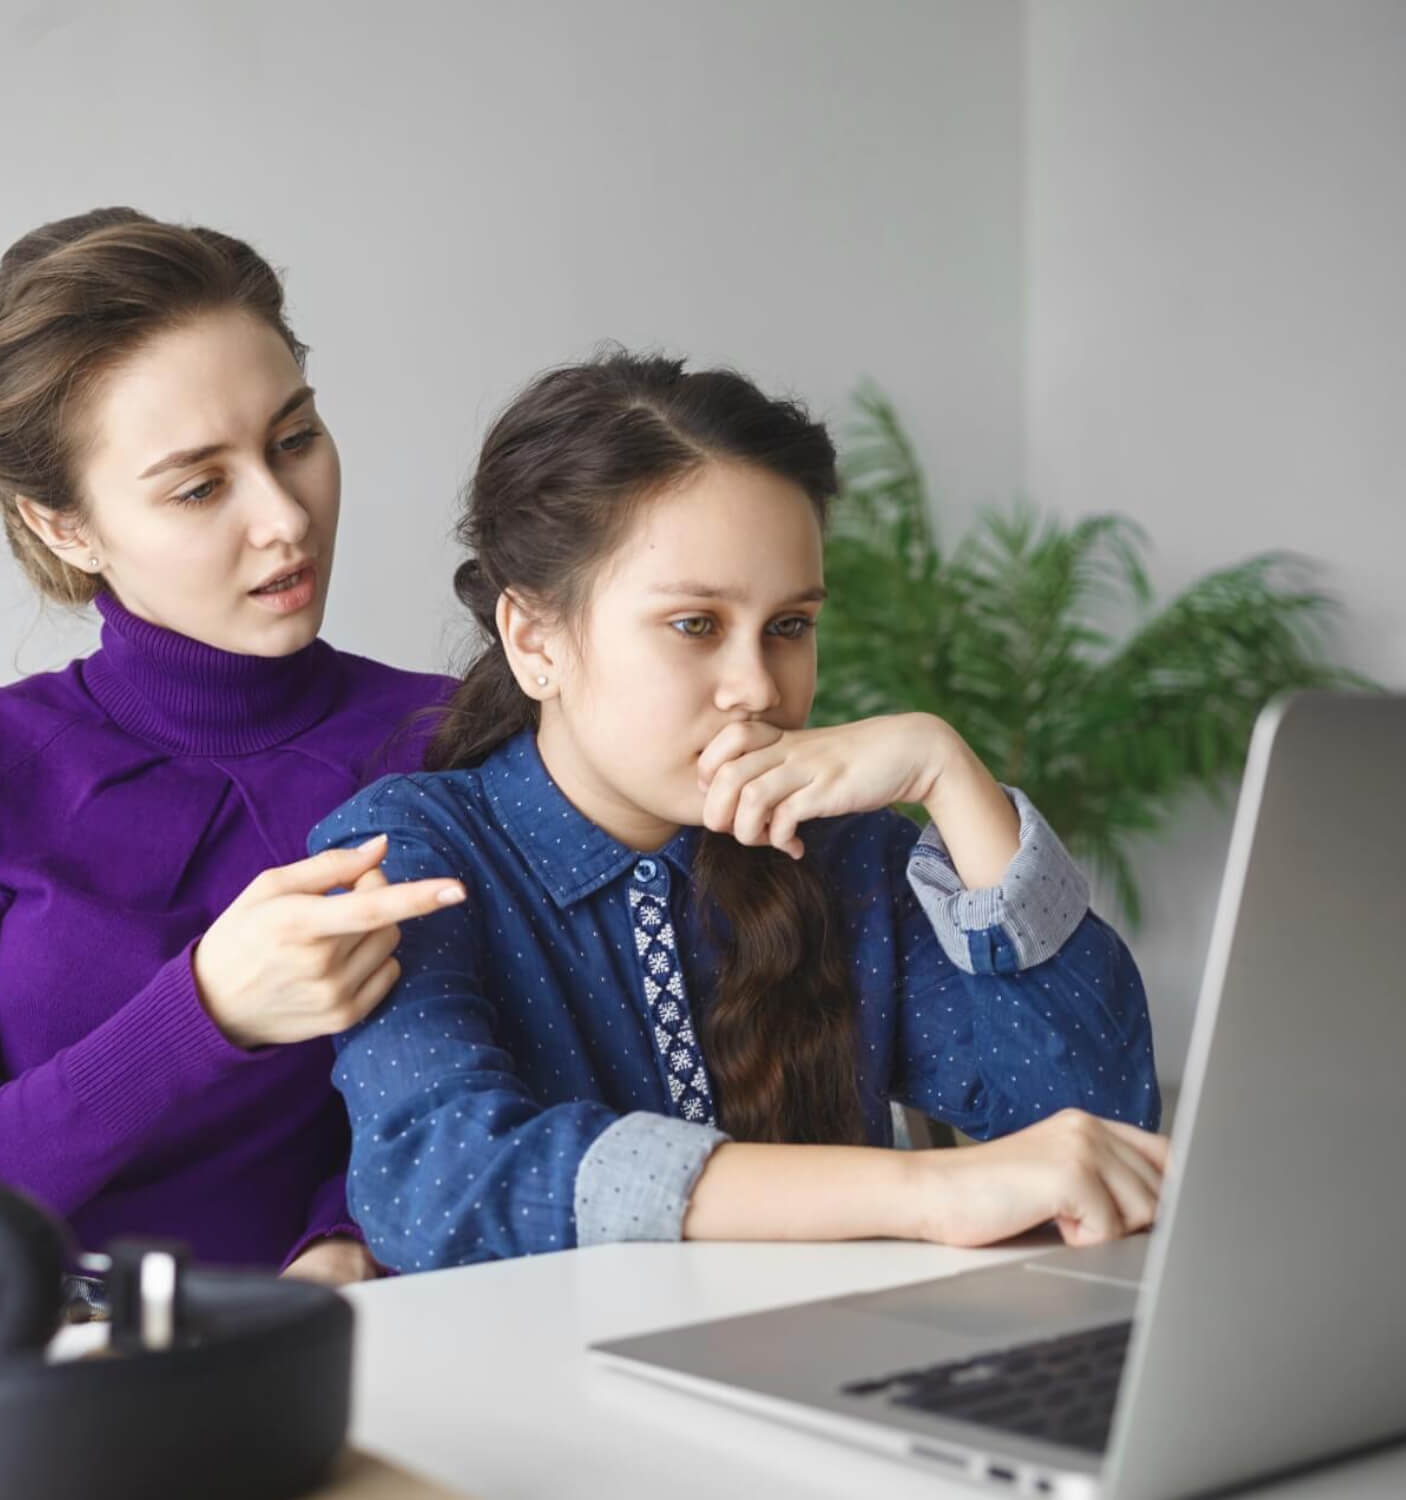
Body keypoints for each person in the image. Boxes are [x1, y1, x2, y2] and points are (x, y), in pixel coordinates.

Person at [311, 351, 1164, 1273]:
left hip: (828, 1375)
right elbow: (448, 1183)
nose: (758, 687)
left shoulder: (847, 854)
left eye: (791, 626)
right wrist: (923, 1192)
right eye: (697, 626)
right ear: (535, 638)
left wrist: (950, 772)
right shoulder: (411, 854)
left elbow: (1096, 1129)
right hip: (543, 1401)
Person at [0, 208, 467, 1284]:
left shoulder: (454, 742)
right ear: (62, 525)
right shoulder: (13, 771)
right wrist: (201, 1010)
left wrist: (349, 1238)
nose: (285, 519)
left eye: (294, 440)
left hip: (381, 1367)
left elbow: (513, 1084)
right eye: (202, 486)